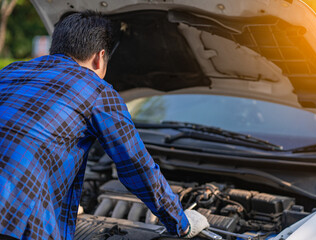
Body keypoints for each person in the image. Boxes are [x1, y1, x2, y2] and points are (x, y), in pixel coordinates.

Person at [0, 11, 209, 239]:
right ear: (100, 57)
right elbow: (136, 165)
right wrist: (181, 222)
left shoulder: (11, 71)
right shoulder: (97, 90)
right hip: (13, 218)